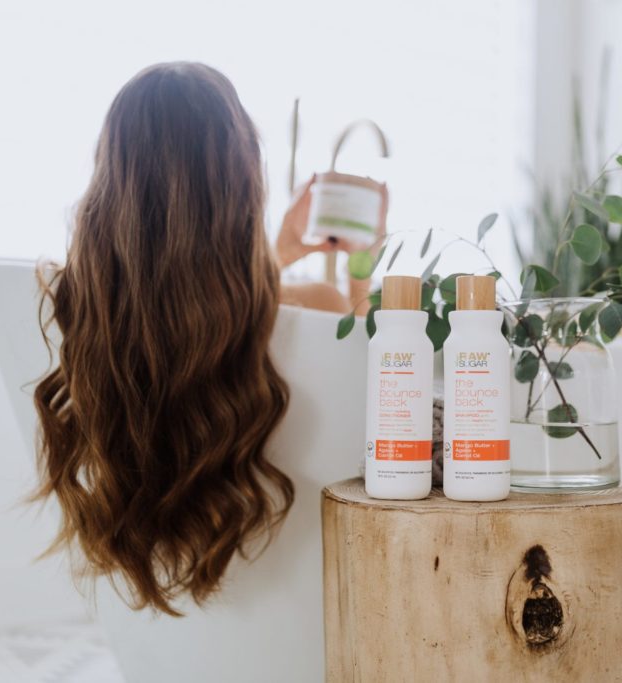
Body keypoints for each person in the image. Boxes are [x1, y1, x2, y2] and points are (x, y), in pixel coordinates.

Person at [33, 62, 378, 615]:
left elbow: (184, 291)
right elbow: (371, 363)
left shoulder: (87, 311)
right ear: (243, 184)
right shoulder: (321, 305)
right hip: (305, 616)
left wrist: (280, 252)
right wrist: (363, 268)